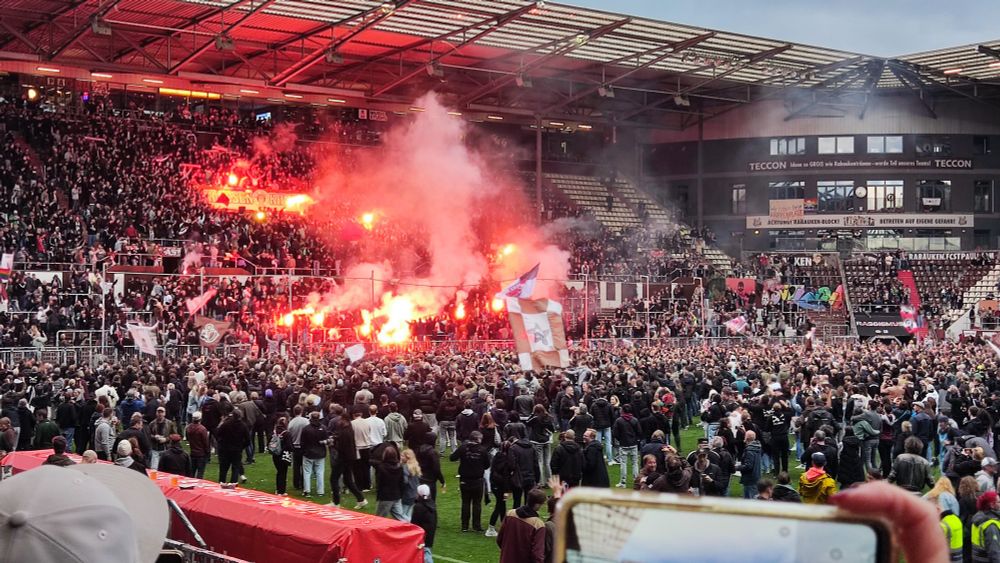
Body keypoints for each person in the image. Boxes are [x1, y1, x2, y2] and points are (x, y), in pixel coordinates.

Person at [451, 430, 490, 532]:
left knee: (465, 502)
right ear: (477, 439)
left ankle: (465, 526)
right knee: (477, 503)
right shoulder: (482, 450)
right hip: (477, 479)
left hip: (465, 479)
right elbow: (487, 465)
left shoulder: (463, 448)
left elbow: (452, 458)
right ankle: (476, 525)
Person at [497, 487, 546, 563]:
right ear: (537, 504)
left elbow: (500, 539)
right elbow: (537, 554)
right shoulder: (538, 525)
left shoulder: (510, 514)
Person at [487, 438, 514, 537]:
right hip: (501, 485)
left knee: (502, 505)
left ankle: (503, 526)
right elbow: (506, 476)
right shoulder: (507, 460)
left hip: (495, 484)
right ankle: (491, 527)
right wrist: (507, 490)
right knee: (499, 506)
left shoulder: (496, 457)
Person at [371, 444, 406, 520]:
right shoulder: (399, 467)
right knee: (401, 518)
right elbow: (402, 483)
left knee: (379, 518)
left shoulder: (381, 467)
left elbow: (380, 483)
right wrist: (400, 495)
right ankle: (411, 529)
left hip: (385, 497)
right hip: (396, 495)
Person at [300, 411, 330, 498]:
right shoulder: (323, 428)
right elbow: (327, 440)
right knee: (320, 472)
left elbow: (302, 442)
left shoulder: (306, 429)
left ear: (310, 418)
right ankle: (320, 491)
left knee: (307, 472)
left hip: (308, 453)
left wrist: (303, 451)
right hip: (320, 454)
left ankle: (307, 490)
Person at [216, 410, 251, 484]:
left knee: (223, 468)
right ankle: (233, 482)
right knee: (235, 467)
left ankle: (222, 482)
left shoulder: (226, 424)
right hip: (237, 449)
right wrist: (242, 446)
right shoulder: (243, 426)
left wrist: (221, 442)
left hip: (225, 448)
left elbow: (218, 433)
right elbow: (248, 440)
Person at [526, 404, 555, 486]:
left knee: (540, 462)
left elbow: (527, 423)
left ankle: (541, 481)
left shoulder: (535, 419)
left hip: (536, 441)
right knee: (547, 462)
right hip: (546, 441)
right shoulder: (548, 418)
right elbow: (552, 429)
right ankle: (549, 481)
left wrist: (531, 414)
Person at [613, 405, 641, 488]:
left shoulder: (619, 421)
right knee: (634, 463)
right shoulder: (635, 420)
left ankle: (623, 482)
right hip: (633, 444)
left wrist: (620, 439)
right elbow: (639, 431)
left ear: (623, 411)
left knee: (623, 464)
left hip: (623, 444)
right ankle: (636, 481)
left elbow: (615, 433)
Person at [411, 484, 437, 563]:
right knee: (426, 550)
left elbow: (415, 522)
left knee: (426, 552)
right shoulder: (431, 503)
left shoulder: (418, 506)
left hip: (422, 534)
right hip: (430, 532)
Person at [971, 490, 1000, 563]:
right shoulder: (991, 525)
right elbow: (994, 553)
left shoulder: (978, 518)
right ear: (992, 505)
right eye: (999, 502)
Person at [146, 406, 177, 470]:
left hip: (166, 449)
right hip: (155, 449)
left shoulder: (170, 423)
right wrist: (155, 437)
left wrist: (166, 439)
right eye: (158, 412)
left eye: (162, 412)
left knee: (166, 468)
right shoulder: (152, 423)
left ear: (164, 413)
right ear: (156, 413)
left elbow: (175, 435)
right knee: (154, 469)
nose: (160, 414)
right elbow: (148, 435)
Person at [269, 417, 292, 496]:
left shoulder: (274, 432)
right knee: (283, 472)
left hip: (275, 454)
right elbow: (289, 446)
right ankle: (281, 491)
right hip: (284, 455)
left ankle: (278, 489)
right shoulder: (287, 433)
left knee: (279, 472)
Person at [737, 430, 762, 499]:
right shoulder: (757, 447)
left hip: (750, 478)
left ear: (747, 438)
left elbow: (748, 466)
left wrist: (737, 467)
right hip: (756, 476)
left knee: (750, 499)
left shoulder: (749, 450)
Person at [186, 411, 210, 479]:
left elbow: (188, 439)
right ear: (200, 419)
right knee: (200, 472)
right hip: (201, 454)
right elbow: (206, 442)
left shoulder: (188, 428)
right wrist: (208, 452)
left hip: (192, 452)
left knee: (192, 472)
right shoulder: (202, 429)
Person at [400, 448, 422, 522]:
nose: (400, 457)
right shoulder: (415, 465)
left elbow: (404, 481)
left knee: (402, 514)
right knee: (409, 513)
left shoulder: (405, 467)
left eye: (402, 456)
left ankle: (408, 527)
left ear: (407, 457)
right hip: (415, 493)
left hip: (407, 493)